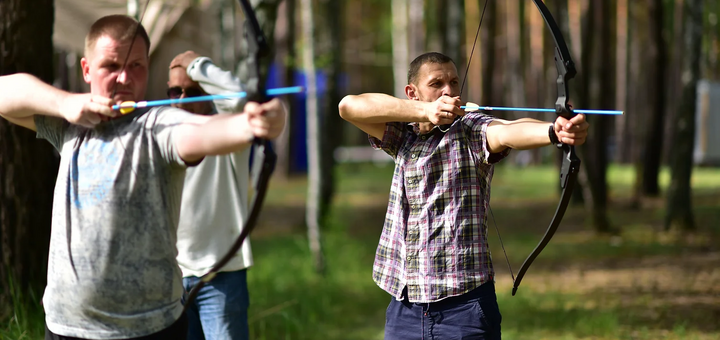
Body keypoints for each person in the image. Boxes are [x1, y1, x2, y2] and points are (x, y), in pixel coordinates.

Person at [0, 15, 286, 340]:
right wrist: (66, 103)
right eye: (111, 65)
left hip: (149, 328)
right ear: (86, 69)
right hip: (67, 327)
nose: (124, 77)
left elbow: (206, 133)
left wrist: (252, 125)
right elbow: (3, 93)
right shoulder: (69, 125)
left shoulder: (159, 125)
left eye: (136, 65)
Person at [338, 52, 589, 340]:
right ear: (413, 93)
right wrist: (424, 112)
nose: (448, 90)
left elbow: (506, 131)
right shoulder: (403, 136)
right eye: (436, 83)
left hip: (464, 310)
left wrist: (554, 132)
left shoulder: (469, 128)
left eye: (454, 82)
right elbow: (349, 106)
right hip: (404, 309)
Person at [167, 50, 256, 340]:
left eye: (191, 91)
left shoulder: (229, 133)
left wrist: (197, 65)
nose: (181, 99)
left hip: (220, 277)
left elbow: (237, 97)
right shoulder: (160, 136)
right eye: (174, 91)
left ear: (209, 96)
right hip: (170, 279)